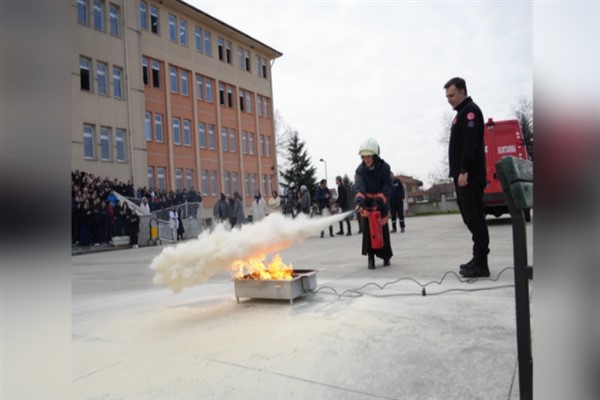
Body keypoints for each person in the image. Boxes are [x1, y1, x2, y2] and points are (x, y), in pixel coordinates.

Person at [444, 76, 490, 278]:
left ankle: (481, 264)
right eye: (447, 96)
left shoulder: (470, 112)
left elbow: (470, 144)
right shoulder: (462, 113)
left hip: (469, 176)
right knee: (470, 218)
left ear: (463, 91)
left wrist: (463, 170)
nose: (449, 99)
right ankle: (477, 259)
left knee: (475, 218)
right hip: (464, 175)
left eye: (452, 95)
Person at [354, 137, 393, 269]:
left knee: (382, 230)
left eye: (369, 157)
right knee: (368, 232)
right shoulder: (360, 171)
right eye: (364, 157)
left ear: (375, 155)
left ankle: (386, 256)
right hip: (367, 204)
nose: (367, 160)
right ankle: (371, 258)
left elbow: (387, 187)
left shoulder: (385, 168)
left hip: (381, 204)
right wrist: (360, 201)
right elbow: (360, 187)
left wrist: (379, 201)